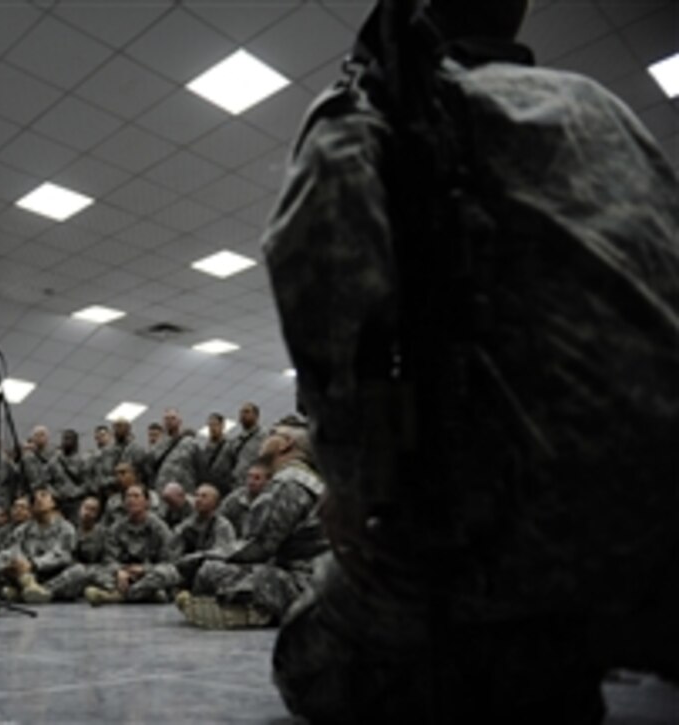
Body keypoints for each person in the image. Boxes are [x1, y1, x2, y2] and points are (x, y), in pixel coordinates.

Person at [262, 1, 679, 722]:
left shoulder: (376, 103)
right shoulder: (603, 110)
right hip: (660, 552)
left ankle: (516, 652)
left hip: (498, 542)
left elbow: (326, 276)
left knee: (304, 657)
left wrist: (358, 489)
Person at [179, 421, 326, 629]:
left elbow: (258, 547)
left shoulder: (287, 483)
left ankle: (258, 610)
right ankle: (249, 608)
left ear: (286, 444)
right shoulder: (311, 481)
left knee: (209, 570)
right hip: (321, 582)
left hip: (304, 587)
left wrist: (193, 560)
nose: (264, 439)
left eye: (272, 434)